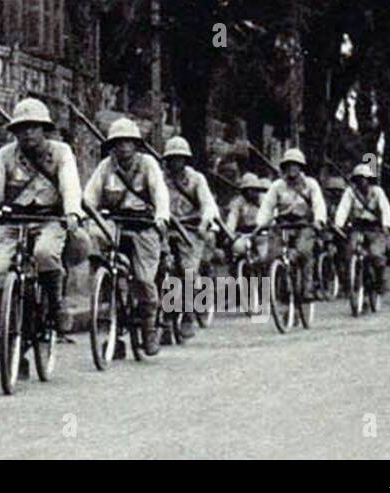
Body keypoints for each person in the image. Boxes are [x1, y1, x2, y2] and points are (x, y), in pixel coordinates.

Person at [0, 98, 83, 336]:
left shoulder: (61, 152)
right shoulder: (6, 155)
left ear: (44, 129)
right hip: (14, 221)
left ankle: (56, 304)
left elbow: (70, 184)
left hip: (50, 220)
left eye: (34, 127)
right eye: (21, 128)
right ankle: (2, 329)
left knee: (45, 253)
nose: (27, 133)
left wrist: (72, 212)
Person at [82, 117, 170, 356]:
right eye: (118, 142)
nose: (123, 147)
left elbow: (160, 193)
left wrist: (162, 215)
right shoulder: (105, 167)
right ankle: (112, 320)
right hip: (114, 223)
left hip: (143, 224)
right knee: (94, 239)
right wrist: (82, 214)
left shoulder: (148, 164)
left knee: (143, 280)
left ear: (136, 144)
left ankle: (149, 328)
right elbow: (90, 196)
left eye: (128, 142)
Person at [161, 135, 218, 339]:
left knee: (188, 272)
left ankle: (187, 314)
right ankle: (166, 318)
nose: (176, 162)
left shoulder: (196, 179)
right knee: (163, 270)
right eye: (173, 158)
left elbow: (208, 205)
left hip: (191, 230)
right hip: (167, 228)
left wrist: (204, 223)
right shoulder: (160, 178)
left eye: (180, 158)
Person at [254, 148, 328, 301]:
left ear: (301, 167)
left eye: (295, 165)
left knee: (304, 251)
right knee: (273, 255)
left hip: (304, 225)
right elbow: (267, 206)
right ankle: (280, 284)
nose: (292, 168)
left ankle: (308, 288)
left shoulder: (310, 184)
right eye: (288, 165)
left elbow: (318, 204)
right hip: (283, 225)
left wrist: (319, 220)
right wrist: (261, 223)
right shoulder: (277, 186)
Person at [332, 163, 390, 294]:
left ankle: (380, 280)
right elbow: (343, 208)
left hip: (374, 228)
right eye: (359, 178)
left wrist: (386, 225)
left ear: (369, 179)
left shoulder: (377, 192)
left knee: (376, 254)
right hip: (357, 227)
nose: (362, 181)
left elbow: (385, 209)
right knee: (350, 252)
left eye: (364, 178)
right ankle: (352, 282)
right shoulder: (350, 192)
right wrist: (339, 224)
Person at [226, 173, 268, 265]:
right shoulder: (237, 202)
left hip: (261, 232)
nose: (251, 192)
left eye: (254, 189)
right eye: (248, 189)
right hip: (244, 232)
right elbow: (232, 217)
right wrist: (230, 232)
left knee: (263, 257)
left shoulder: (264, 200)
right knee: (237, 249)